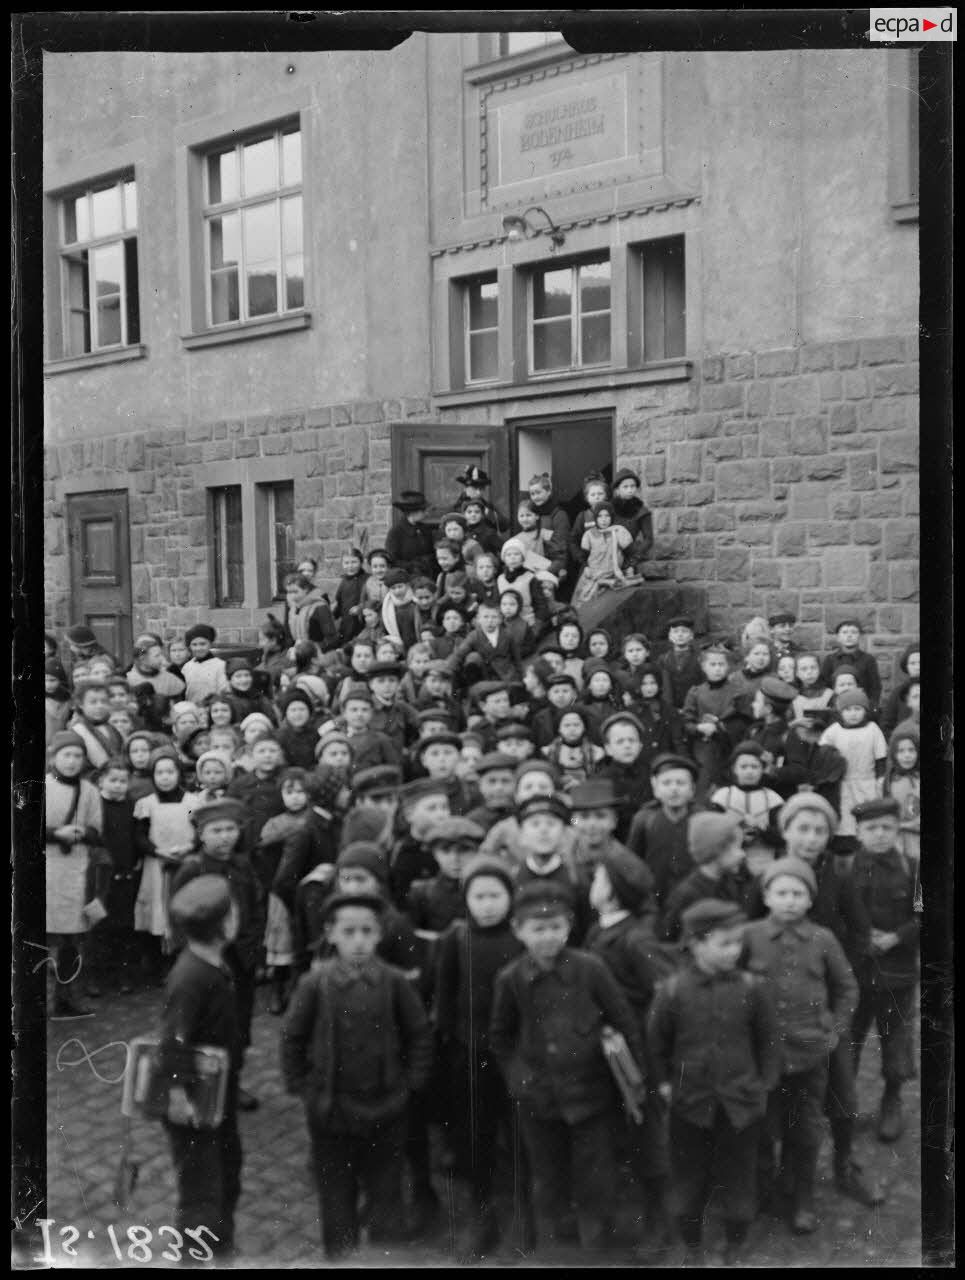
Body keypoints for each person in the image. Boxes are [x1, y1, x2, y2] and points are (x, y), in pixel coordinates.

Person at [490, 879, 644, 1253]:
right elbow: (501, 1036)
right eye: (538, 929)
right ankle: (561, 1232)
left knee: (596, 1170)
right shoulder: (511, 980)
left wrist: (631, 1075)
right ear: (519, 931)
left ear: (570, 926)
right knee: (548, 1169)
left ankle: (597, 1234)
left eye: (556, 928)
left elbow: (623, 1019)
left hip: (591, 1093)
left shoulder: (590, 969)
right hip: (539, 1097)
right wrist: (519, 1078)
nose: (548, 938)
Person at [281, 889, 434, 1259]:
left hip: (386, 1107)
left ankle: (386, 1254)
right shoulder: (314, 985)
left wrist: (411, 1084)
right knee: (336, 1192)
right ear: (330, 934)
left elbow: (419, 1034)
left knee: (386, 1191)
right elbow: (293, 1038)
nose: (359, 941)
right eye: (348, 933)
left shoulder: (395, 983)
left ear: (379, 934)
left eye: (367, 932)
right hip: (332, 1111)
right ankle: (341, 1255)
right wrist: (305, 1088)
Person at [648, 900, 780, 1267]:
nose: (733, 951)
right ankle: (692, 1247)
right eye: (724, 943)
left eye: (737, 943)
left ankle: (735, 1241)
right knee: (688, 1178)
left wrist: (764, 1085)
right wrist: (663, 1085)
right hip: (690, 1104)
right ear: (696, 943)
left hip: (741, 1104)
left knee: (740, 1175)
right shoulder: (672, 991)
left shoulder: (753, 988)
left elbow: (769, 1041)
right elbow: (656, 1045)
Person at [773, 792, 883, 1207]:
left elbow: (860, 932)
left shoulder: (838, 879)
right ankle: (785, 1177)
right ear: (785, 832)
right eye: (802, 829)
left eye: (820, 830)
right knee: (783, 1097)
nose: (811, 838)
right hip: (780, 1012)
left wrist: (836, 979)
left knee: (841, 1088)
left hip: (825, 1009)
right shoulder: (769, 881)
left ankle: (844, 1163)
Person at [741, 857, 858, 1235]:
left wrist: (834, 1029)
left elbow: (846, 987)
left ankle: (802, 1197)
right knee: (760, 1127)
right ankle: (762, 1192)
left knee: (805, 1130)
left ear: (809, 900)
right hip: (762, 1058)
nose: (790, 900)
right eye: (781, 892)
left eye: (798, 893)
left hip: (809, 1054)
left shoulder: (823, 939)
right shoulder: (750, 935)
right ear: (767, 896)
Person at [434, 856, 525, 1259]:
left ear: (510, 897)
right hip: (472, 1053)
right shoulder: (456, 939)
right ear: (467, 900)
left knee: (521, 1132)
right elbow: (445, 997)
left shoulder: (520, 940)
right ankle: (481, 1212)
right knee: (477, 1135)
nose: (488, 905)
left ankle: (525, 1216)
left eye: (496, 895)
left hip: (517, 1053)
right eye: (479, 896)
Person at [157, 875, 244, 1259]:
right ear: (225, 925)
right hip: (191, 1102)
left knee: (227, 1171)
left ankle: (221, 1249)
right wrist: (177, 1096)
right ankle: (193, 1257)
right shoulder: (191, 976)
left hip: (216, 1095)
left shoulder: (212, 963)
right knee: (200, 1192)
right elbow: (173, 1040)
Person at [171, 799, 266, 1113]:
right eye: (216, 830)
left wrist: (251, 945)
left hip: (242, 961)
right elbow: (179, 916)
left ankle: (232, 1081)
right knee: (208, 1024)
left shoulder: (244, 865)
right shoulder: (192, 869)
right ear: (201, 834)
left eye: (230, 829)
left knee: (238, 1024)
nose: (225, 836)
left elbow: (257, 908)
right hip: (210, 963)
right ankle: (203, 1083)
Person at [850, 797, 921, 1143]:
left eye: (886, 828)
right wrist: (863, 938)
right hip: (856, 974)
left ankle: (891, 1101)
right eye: (871, 828)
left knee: (896, 1043)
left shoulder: (914, 867)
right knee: (847, 1042)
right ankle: (842, 1106)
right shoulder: (844, 869)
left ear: (897, 829)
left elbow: (928, 915)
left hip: (898, 973)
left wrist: (897, 937)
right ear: (858, 832)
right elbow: (837, 914)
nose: (879, 834)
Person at [44, 730, 105, 1018]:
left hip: (76, 872)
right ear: (54, 757)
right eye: (66, 755)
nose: (72, 761)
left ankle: (67, 998)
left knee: (72, 939)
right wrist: (57, 833)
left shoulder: (90, 791)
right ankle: (40, 999)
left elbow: (97, 829)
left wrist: (83, 833)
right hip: (45, 870)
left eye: (78, 756)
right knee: (41, 937)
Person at [133, 747, 204, 986]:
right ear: (153, 775)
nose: (165, 777)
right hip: (157, 865)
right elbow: (140, 836)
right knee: (157, 911)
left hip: (185, 863)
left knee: (182, 910)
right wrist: (156, 851)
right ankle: (158, 966)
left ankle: (182, 963)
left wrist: (189, 848)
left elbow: (200, 830)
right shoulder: (146, 804)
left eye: (170, 771)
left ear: (179, 774)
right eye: (159, 772)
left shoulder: (193, 801)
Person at [89, 757, 141, 997]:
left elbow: (136, 837)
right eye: (113, 780)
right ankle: (95, 976)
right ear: (101, 780)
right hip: (100, 875)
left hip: (126, 874)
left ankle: (124, 975)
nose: (118, 785)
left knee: (124, 927)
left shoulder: (131, 807)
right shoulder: (95, 805)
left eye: (123, 781)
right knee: (98, 925)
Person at [628, 754, 703, 913]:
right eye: (666, 783)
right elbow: (634, 860)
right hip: (656, 898)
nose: (674, 788)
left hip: (694, 898)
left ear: (692, 789)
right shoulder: (644, 819)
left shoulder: (702, 818)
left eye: (681, 783)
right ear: (655, 788)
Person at [660, 812, 751, 943]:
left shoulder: (731, 882)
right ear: (715, 850)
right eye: (734, 848)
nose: (742, 854)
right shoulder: (687, 894)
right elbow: (669, 939)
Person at [818, 689, 888, 835]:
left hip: (867, 782)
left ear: (865, 711)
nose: (853, 713)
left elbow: (881, 758)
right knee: (846, 819)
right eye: (848, 709)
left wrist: (880, 780)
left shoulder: (873, 730)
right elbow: (822, 753)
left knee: (867, 818)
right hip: (843, 783)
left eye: (857, 709)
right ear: (841, 712)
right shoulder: (834, 731)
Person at [709, 741, 784, 877]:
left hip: (764, 864)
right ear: (734, 769)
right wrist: (739, 836)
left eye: (754, 766)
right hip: (729, 867)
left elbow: (782, 837)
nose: (749, 771)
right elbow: (712, 836)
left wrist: (762, 829)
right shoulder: (723, 797)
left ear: (762, 769)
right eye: (743, 767)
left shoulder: (773, 799)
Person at [682, 641, 741, 798]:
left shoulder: (736, 693)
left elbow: (740, 723)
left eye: (721, 664)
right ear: (704, 667)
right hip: (703, 752)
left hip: (729, 750)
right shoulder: (696, 692)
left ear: (728, 666)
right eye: (712, 664)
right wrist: (699, 728)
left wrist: (721, 726)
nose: (717, 668)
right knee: (704, 794)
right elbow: (686, 722)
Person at [572, 501, 635, 606]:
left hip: (613, 578)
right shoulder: (589, 535)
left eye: (607, 516)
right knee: (584, 607)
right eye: (600, 516)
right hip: (592, 577)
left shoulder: (619, 531)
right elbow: (583, 557)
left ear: (612, 517)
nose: (604, 519)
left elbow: (631, 553)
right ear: (595, 518)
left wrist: (628, 567)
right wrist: (586, 567)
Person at [819, 620, 882, 712]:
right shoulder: (830, 660)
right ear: (838, 637)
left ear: (859, 636)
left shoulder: (868, 660)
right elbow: (825, 685)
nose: (849, 635)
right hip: (836, 707)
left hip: (861, 706)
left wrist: (871, 706)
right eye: (844, 632)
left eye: (853, 632)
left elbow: (875, 687)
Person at [68, 678, 124, 775]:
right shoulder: (76, 732)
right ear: (81, 704)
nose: (99, 706)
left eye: (103, 701)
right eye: (93, 702)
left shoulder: (112, 729)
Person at [882, 727, 921, 858]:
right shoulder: (887, 781)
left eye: (911, 750)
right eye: (901, 751)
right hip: (895, 841)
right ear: (893, 754)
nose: (907, 755)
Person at [657, 617, 704, 710]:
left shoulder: (700, 658)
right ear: (670, 636)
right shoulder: (663, 659)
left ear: (691, 636)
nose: (680, 635)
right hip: (671, 709)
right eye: (676, 631)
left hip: (695, 707)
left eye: (684, 631)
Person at [284, 573, 339, 652]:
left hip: (318, 652)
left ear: (305, 590)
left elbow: (331, 637)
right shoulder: (293, 608)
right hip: (300, 652)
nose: (292, 596)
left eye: (295, 592)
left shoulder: (319, 607)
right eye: (289, 592)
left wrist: (315, 652)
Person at [386, 490, 436, 577]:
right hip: (407, 578)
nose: (426, 513)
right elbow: (392, 560)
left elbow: (432, 551)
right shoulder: (396, 533)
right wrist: (413, 566)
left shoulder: (425, 529)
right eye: (423, 510)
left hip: (428, 577)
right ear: (413, 512)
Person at [180, 624, 229, 705]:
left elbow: (223, 692)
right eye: (194, 645)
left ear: (210, 644)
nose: (198, 648)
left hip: (213, 710)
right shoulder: (187, 667)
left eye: (202, 644)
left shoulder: (220, 665)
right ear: (190, 646)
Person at [333, 547, 368, 645]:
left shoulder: (368, 580)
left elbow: (374, 601)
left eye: (354, 562)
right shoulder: (343, 582)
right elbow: (339, 604)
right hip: (347, 625)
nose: (350, 566)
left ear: (361, 562)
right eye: (346, 563)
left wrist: (361, 608)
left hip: (363, 624)